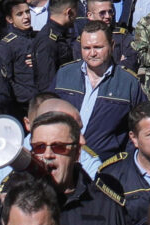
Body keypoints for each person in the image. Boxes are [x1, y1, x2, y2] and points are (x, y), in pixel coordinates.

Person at [0, 107, 128, 225]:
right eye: (39, 147)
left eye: (59, 147)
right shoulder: (10, 196)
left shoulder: (104, 203)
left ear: (77, 152)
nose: (48, 155)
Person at [52, 19, 142, 162]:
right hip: (63, 158)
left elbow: (139, 128)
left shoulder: (129, 82)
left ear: (112, 46)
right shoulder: (64, 74)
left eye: (98, 47)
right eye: (86, 48)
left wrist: (123, 163)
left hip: (106, 164)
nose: (92, 53)